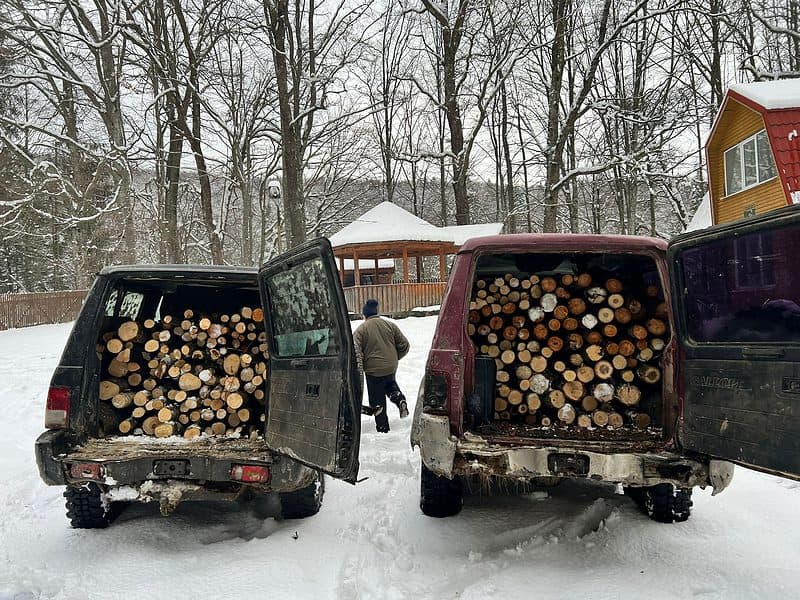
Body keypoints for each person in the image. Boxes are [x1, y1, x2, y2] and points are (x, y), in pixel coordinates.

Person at [353, 299, 410, 433]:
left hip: (373, 370)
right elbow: (405, 345)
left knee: (377, 399)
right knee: (390, 385)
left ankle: (383, 427)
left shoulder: (361, 330)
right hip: (390, 366)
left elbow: (356, 352)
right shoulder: (390, 325)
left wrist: (361, 367)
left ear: (364, 315)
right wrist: (395, 357)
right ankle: (399, 399)